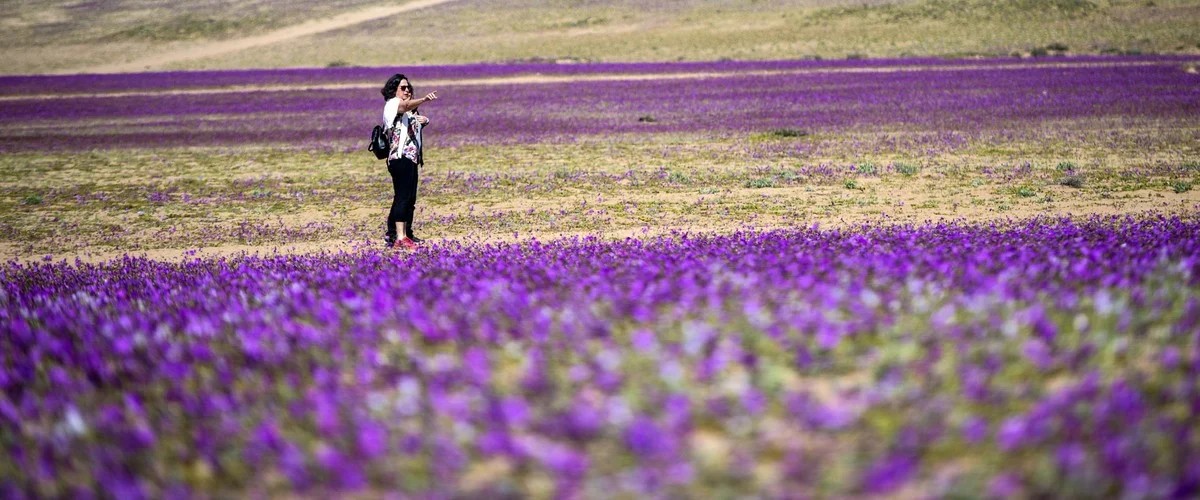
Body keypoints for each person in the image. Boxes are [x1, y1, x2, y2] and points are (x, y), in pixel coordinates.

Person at [380, 73, 438, 249]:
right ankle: (399, 237)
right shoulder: (392, 104)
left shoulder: (411, 110)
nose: (407, 90)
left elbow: (411, 125)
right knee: (403, 196)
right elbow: (404, 106)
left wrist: (424, 121)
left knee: (409, 197)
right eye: (402, 88)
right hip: (400, 157)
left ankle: (405, 234)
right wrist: (424, 99)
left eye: (408, 88)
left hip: (411, 158)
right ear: (394, 90)